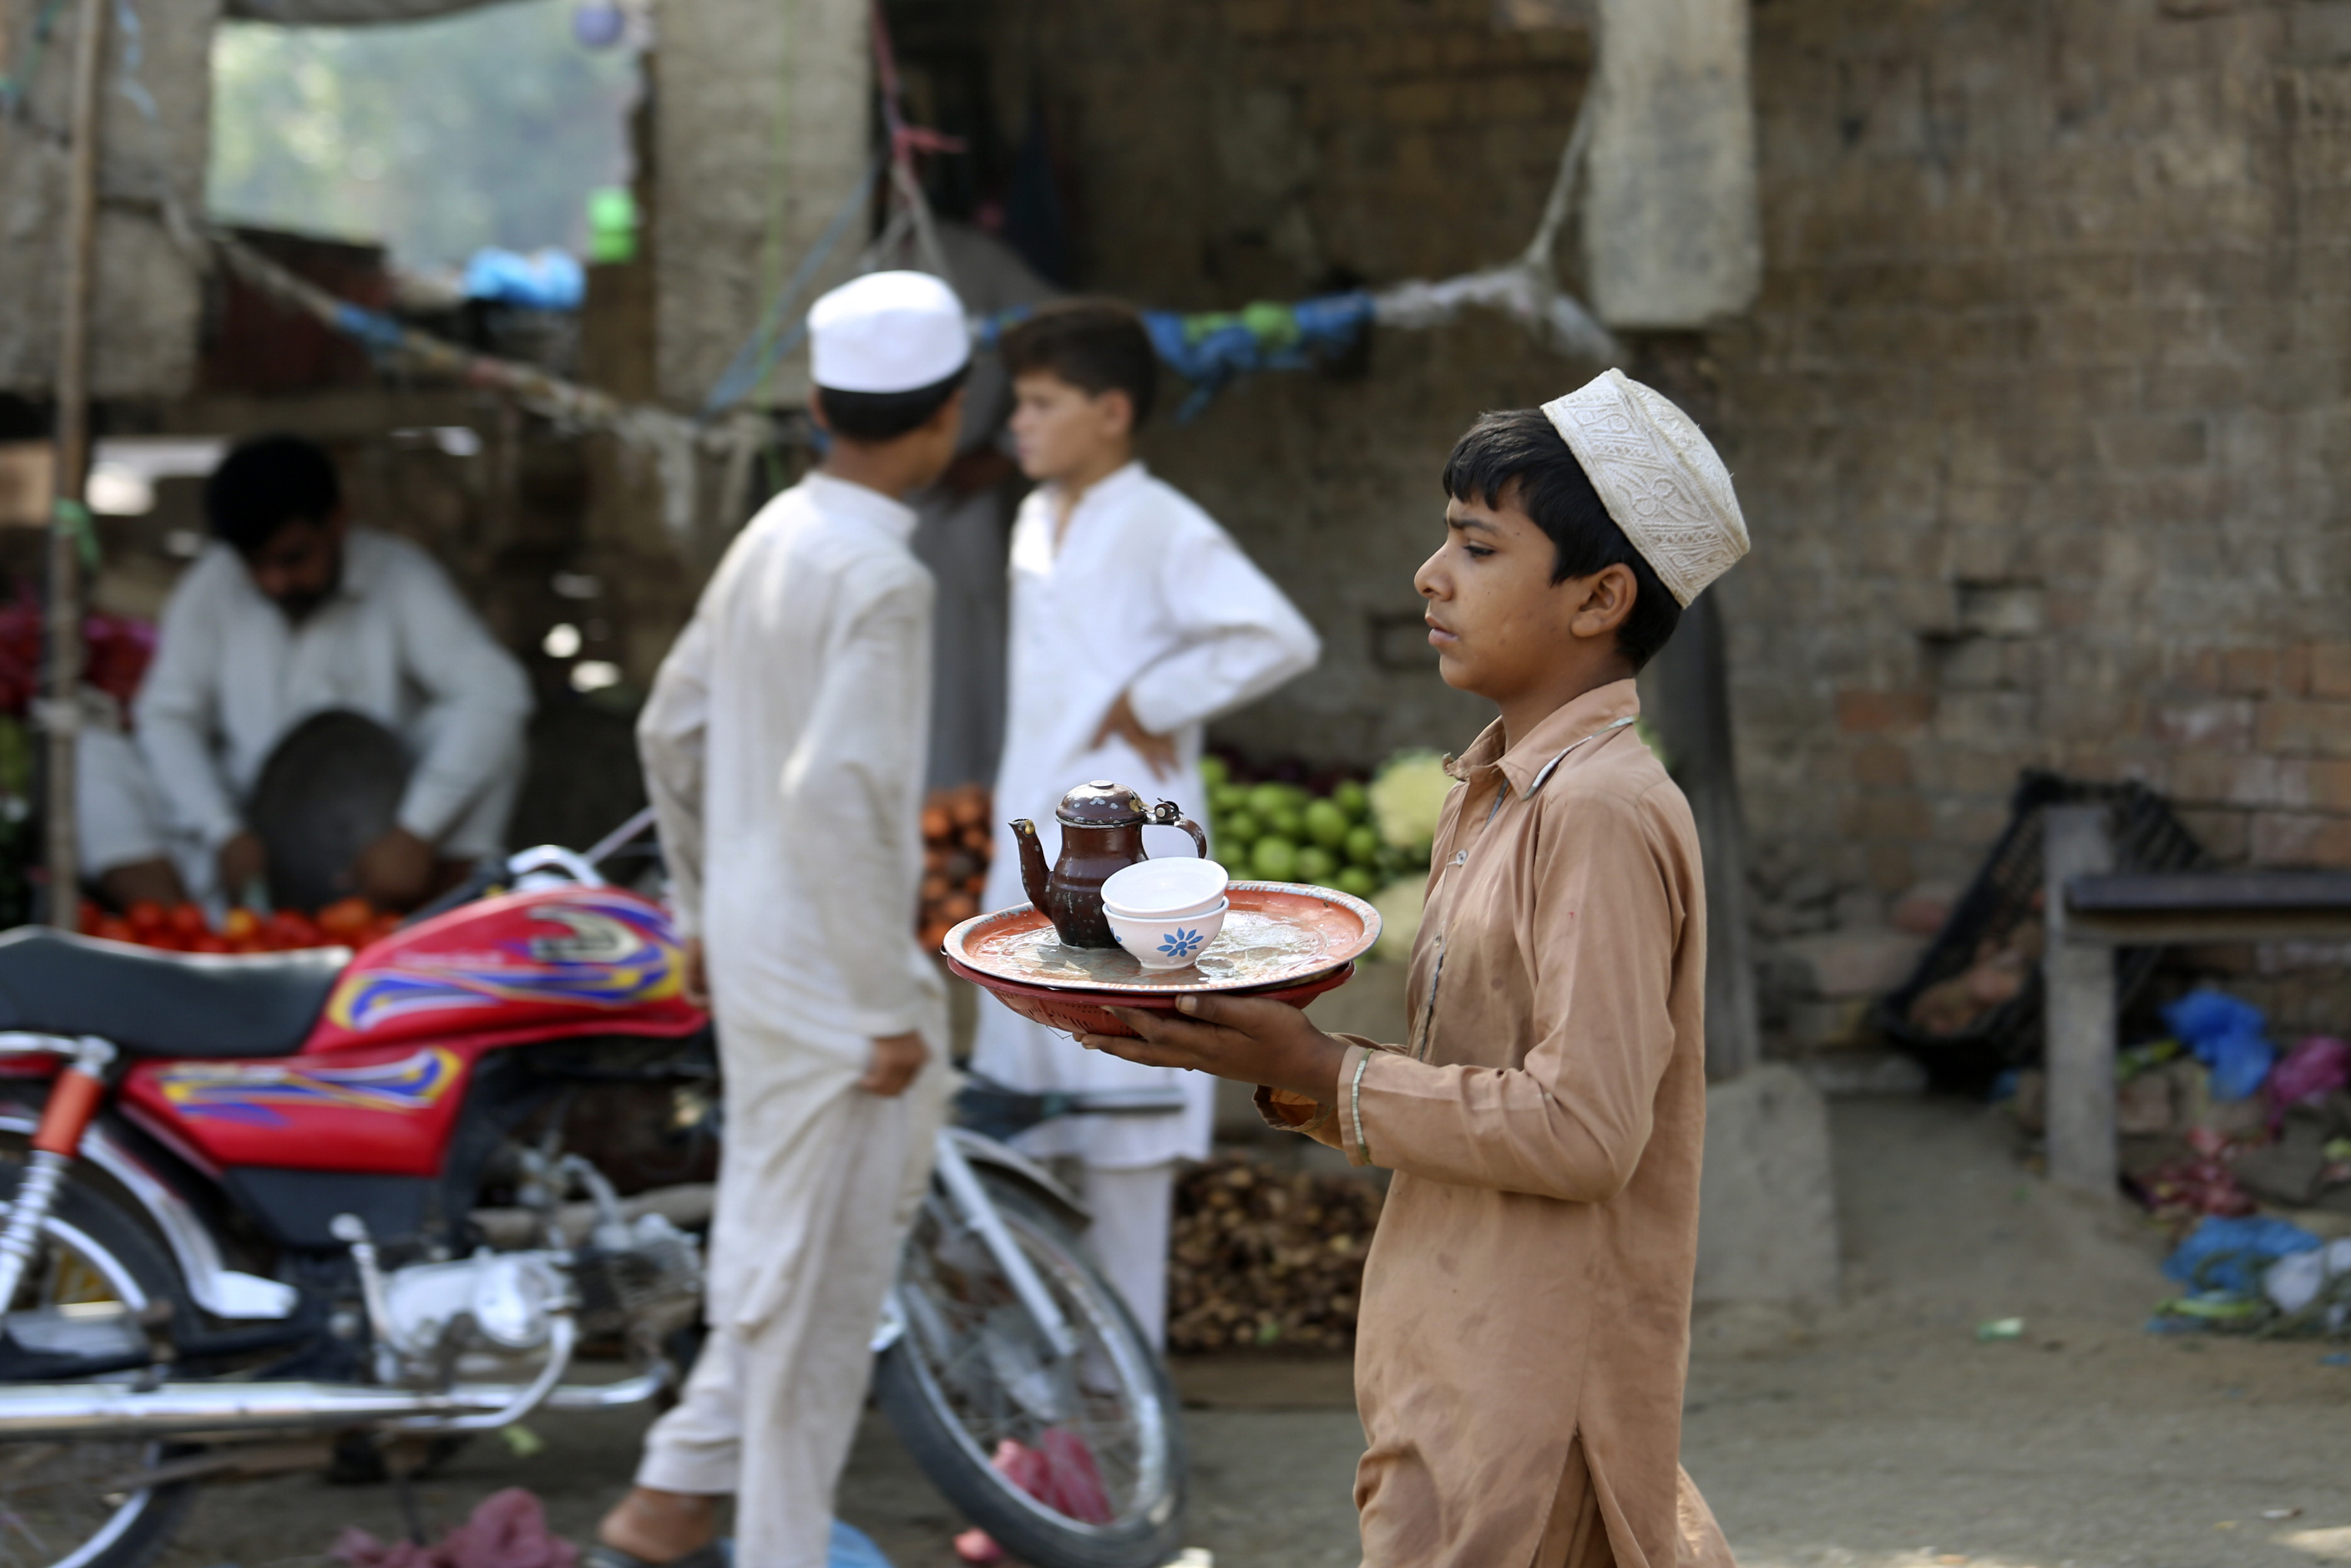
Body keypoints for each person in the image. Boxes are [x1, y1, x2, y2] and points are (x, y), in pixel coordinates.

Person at [1080, 371, 1748, 1567]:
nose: (1428, 577)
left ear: (1600, 598)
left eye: (1476, 548)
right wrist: (1279, 1058)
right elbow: (1480, 1083)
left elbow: (1585, 1132)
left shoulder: (1597, 809)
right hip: (1450, 1362)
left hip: (1538, 1398)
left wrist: (1331, 1074)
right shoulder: (1492, 792)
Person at [598, 271, 967, 1568]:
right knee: (815, 1289)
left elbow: (670, 728)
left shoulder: (774, 533)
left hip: (754, 940)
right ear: (949, 419)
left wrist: (702, 901)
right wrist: (882, 998)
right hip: (828, 960)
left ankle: (665, 1510)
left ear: (814, 405)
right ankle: (768, 1543)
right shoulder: (878, 575)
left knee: (776, 1253)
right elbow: (834, 795)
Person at [973, 298, 1320, 1347]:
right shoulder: (1032, 520)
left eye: (1041, 403)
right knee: (1025, 1143)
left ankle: (1126, 1420)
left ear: (1111, 411)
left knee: (1121, 1135)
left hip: (1130, 851)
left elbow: (1275, 635)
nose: (1018, 424)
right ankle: (1038, 1426)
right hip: (1030, 840)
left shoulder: (1161, 519)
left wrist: (1155, 700)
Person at [92, 433, 532, 911]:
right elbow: (167, 718)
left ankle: (444, 919)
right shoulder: (212, 586)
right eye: (255, 565)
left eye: (294, 558)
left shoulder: (398, 575)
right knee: (88, 753)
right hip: (242, 857)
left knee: (492, 736)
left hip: (379, 850)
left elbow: (497, 692)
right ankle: (177, 938)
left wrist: (416, 833)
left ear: (339, 520)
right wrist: (223, 831)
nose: (274, 582)